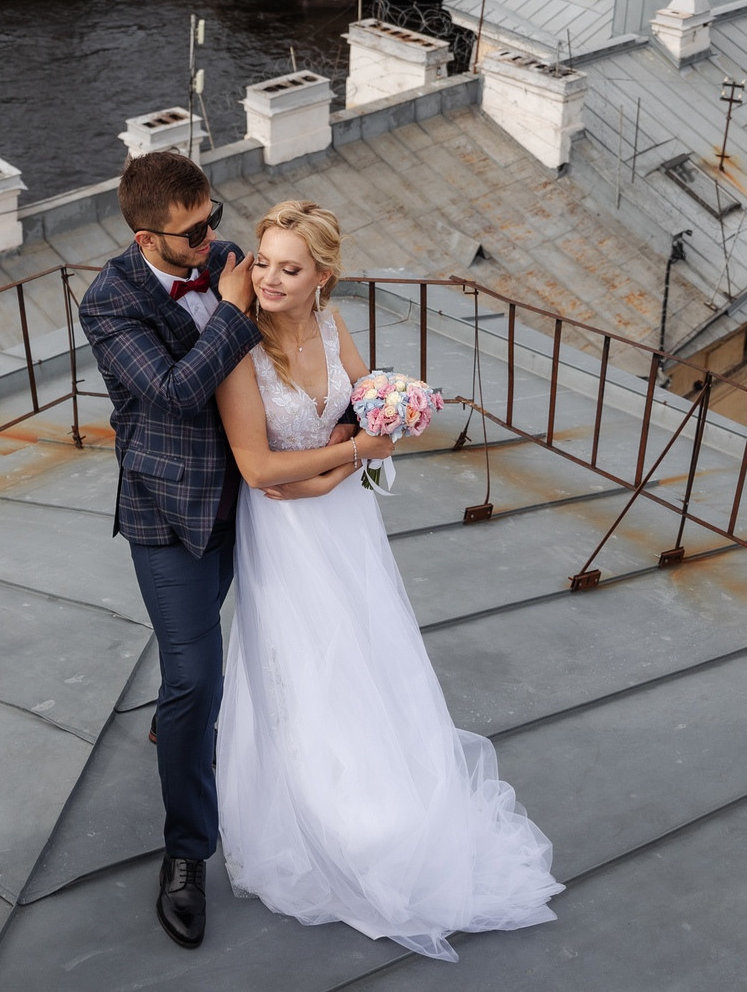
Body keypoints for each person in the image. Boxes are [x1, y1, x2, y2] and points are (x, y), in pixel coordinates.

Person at [214, 201, 561, 962]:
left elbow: (373, 412)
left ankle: (394, 794)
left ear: (323, 277)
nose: (268, 278)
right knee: (306, 664)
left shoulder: (333, 329)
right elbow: (258, 469)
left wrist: (372, 441)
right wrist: (347, 455)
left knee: (366, 652)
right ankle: (335, 818)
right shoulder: (237, 349)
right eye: (263, 262)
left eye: (289, 267)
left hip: (344, 524)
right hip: (284, 534)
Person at [78, 156, 378, 951]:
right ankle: (186, 854)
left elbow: (294, 341)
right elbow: (176, 391)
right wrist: (235, 314)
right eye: (196, 232)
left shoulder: (224, 255)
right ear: (149, 237)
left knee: (254, 649)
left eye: (216, 218)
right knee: (194, 675)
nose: (217, 241)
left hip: (258, 505)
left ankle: (191, 727)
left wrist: (342, 426)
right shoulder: (109, 304)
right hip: (172, 511)